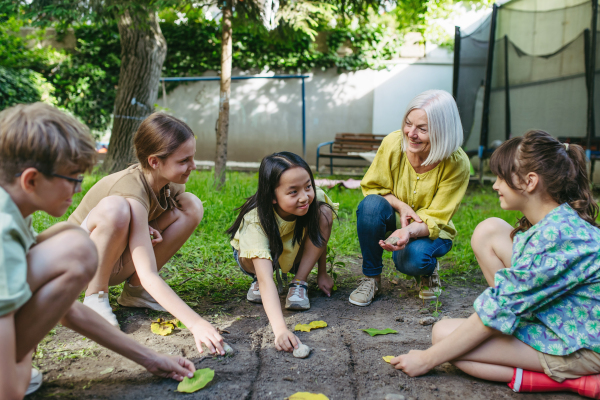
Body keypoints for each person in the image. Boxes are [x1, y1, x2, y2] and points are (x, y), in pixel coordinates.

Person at [0, 103, 196, 399]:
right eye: (72, 178)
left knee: (69, 237)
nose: (78, 190)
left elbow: (66, 310)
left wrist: (151, 359)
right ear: (31, 180)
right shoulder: (4, 229)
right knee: (75, 243)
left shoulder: (15, 211)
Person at [391, 130, 600, 398]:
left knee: (444, 337)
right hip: (576, 326)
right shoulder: (557, 222)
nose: (495, 185)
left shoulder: (554, 237)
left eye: (502, 177)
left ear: (530, 182)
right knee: (454, 335)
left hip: (585, 347)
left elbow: (496, 310)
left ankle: (572, 381)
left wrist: (427, 359)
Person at [68, 112, 224, 355]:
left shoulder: (171, 184)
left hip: (116, 258)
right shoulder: (129, 189)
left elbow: (158, 217)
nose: (193, 166)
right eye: (184, 161)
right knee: (116, 208)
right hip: (81, 264)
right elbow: (149, 271)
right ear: (154, 162)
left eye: (192, 158)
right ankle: (95, 297)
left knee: (191, 205)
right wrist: (196, 323)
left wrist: (150, 225)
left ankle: (136, 292)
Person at [351, 90, 470, 306]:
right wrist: (400, 205)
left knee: (412, 260)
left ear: (443, 132)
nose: (410, 133)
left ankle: (427, 271)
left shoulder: (457, 163)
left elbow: (436, 216)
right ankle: (371, 279)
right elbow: (372, 186)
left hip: (430, 229)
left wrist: (408, 231)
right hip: (394, 218)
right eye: (408, 123)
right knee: (370, 207)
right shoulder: (393, 143)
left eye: (422, 129)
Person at [226, 152, 337, 352]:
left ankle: (299, 282)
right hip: (258, 258)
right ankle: (256, 282)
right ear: (272, 196)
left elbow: (320, 236)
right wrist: (280, 330)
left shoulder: (313, 200)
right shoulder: (255, 221)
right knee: (263, 274)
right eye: (293, 192)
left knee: (324, 214)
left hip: (294, 250)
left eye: (308, 186)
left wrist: (322, 273)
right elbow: (266, 278)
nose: (304, 197)